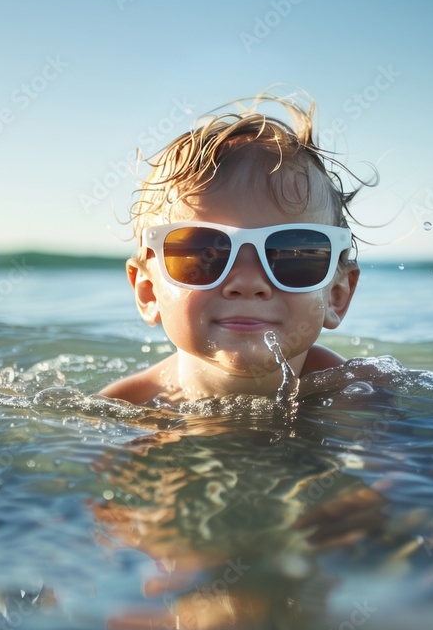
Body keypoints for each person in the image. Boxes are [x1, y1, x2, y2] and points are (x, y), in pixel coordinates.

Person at [100, 93, 371, 405]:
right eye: (206, 253)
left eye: (292, 254)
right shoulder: (124, 407)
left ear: (336, 296)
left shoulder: (355, 395)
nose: (247, 283)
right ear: (148, 293)